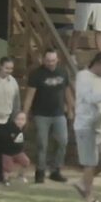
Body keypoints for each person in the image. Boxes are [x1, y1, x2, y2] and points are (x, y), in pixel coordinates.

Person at [73, 52, 101, 202]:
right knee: (90, 163)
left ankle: (82, 182)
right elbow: (89, 98)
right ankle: (89, 196)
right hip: (86, 125)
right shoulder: (83, 77)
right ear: (98, 64)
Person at [23, 49, 73, 184]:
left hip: (59, 114)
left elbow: (67, 92)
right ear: (43, 60)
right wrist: (25, 114)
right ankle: (40, 171)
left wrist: (70, 109)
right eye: (48, 60)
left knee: (63, 141)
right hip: (41, 114)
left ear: (57, 60)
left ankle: (56, 170)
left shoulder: (63, 72)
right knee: (42, 144)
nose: (50, 63)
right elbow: (29, 96)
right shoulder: (36, 74)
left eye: (53, 60)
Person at [0, 57, 21, 183]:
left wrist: (15, 119)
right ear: (0, 66)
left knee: (1, 150)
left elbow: (16, 102)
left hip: (6, 120)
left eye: (11, 68)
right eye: (7, 68)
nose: (9, 70)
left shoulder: (13, 82)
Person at [0, 111, 30, 185]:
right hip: (7, 152)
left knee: (26, 162)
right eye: (18, 119)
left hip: (18, 152)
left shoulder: (24, 129)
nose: (20, 121)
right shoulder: (9, 128)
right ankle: (5, 179)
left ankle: (21, 176)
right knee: (8, 168)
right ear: (14, 120)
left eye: (22, 119)